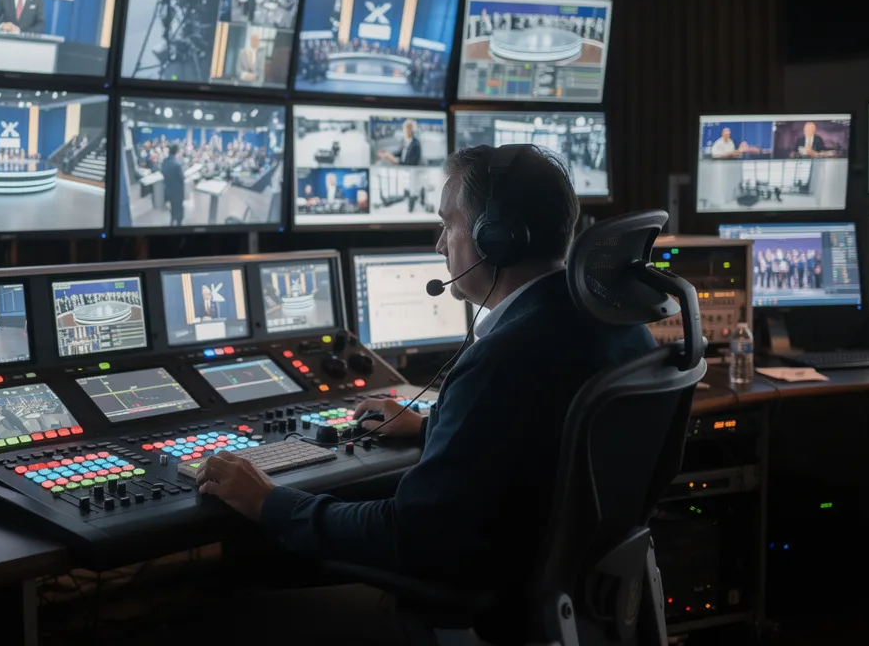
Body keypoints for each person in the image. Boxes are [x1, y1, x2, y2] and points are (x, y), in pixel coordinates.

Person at [193, 144, 661, 644]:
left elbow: (409, 536)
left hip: (478, 613)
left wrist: (270, 502)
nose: (440, 245)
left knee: (214, 613)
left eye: (447, 224)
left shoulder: (502, 360)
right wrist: (430, 425)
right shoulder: (620, 328)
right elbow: (537, 442)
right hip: (579, 598)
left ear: (496, 238)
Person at [162, 142, 186, 227]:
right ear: (177, 151)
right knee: (179, 208)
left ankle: (172, 222)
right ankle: (179, 225)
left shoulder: (164, 161)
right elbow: (182, 178)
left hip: (168, 190)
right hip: (178, 192)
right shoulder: (178, 164)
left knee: (172, 207)